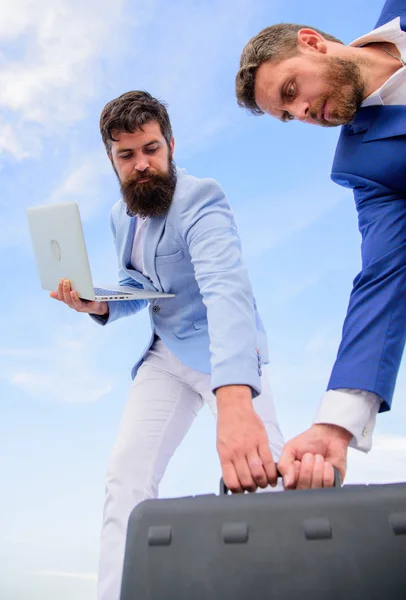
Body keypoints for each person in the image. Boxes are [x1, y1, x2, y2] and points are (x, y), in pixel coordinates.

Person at [50, 90, 284, 600]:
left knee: (266, 479)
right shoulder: (121, 216)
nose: (142, 165)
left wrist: (234, 394)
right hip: (164, 355)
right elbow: (138, 286)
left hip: (225, 353)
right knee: (125, 479)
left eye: (151, 149)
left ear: (171, 145)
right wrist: (102, 304)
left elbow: (227, 290)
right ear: (112, 161)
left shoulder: (201, 198)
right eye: (127, 155)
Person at [235, 0, 406, 489]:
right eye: (288, 114)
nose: (303, 111)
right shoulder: (362, 165)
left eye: (292, 90)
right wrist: (335, 425)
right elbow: (383, 279)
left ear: (311, 41)